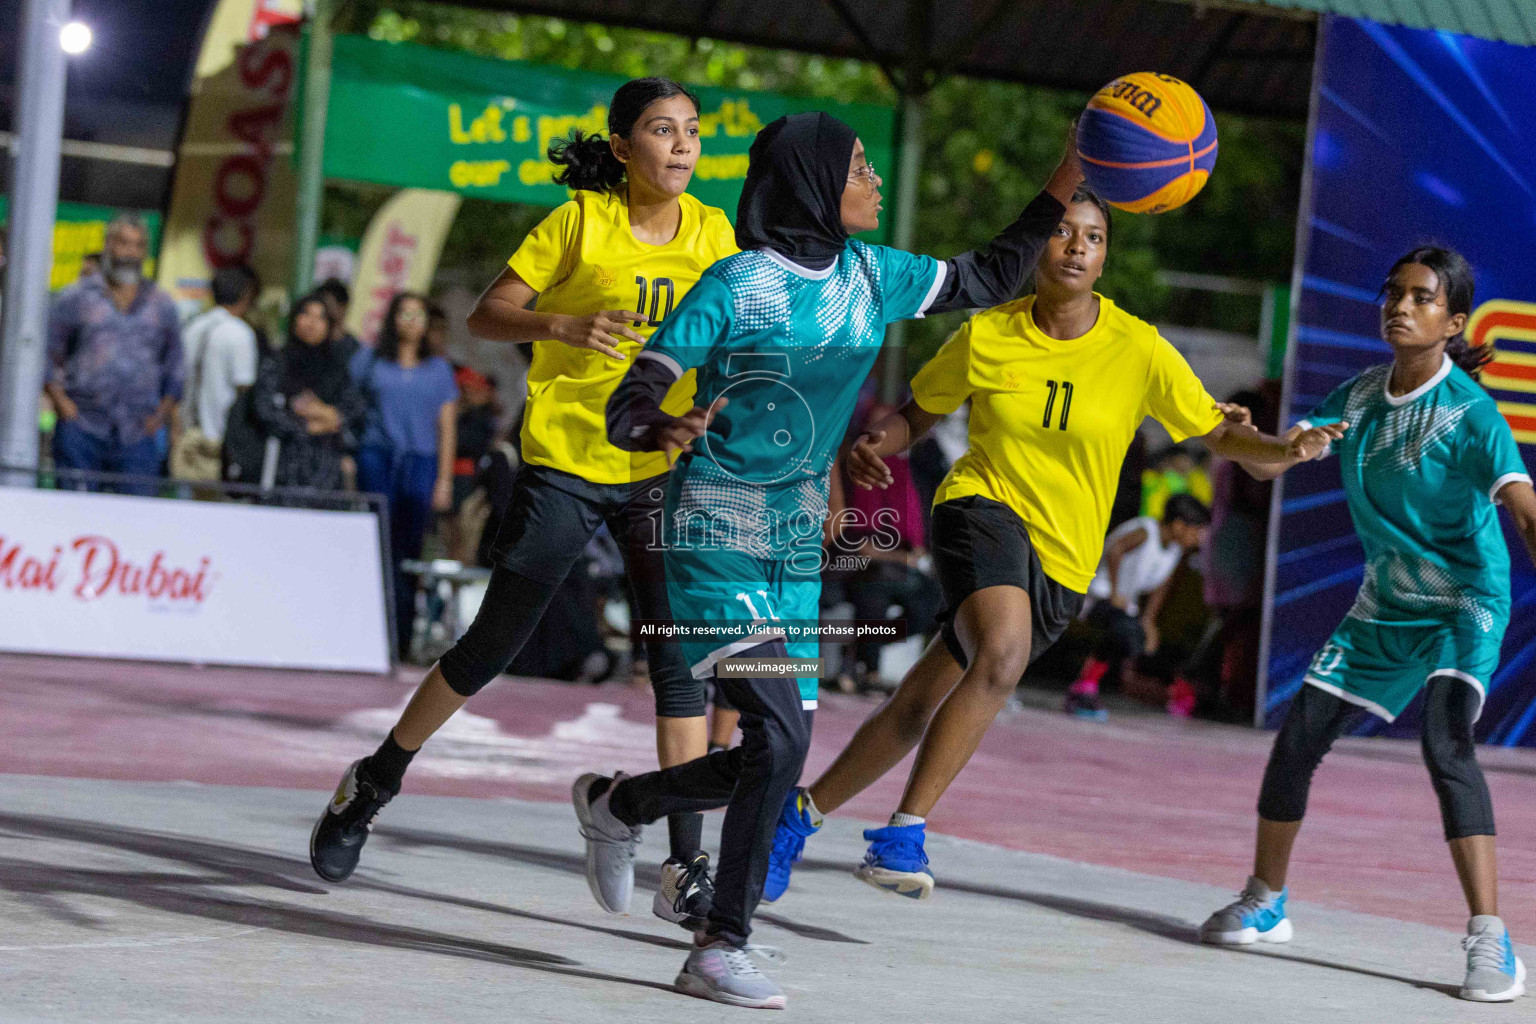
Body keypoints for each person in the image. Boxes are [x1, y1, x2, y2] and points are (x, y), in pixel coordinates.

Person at [570, 112, 1090, 1010]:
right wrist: (659, 423)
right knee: (783, 738)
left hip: (792, 540)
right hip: (717, 530)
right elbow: (638, 389)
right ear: (812, 183)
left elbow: (995, 270)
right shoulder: (738, 285)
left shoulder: (871, 275)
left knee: (767, 753)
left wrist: (1074, 162)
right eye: (858, 167)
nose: (876, 182)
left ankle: (621, 807)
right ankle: (715, 943)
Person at [762, 185, 1342, 906]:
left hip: (1062, 561)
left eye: (1092, 237)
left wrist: (1286, 447)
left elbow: (1226, 439)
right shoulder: (987, 333)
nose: (1075, 246)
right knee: (1000, 657)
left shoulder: (1138, 348)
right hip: (980, 510)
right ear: (1038, 247)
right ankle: (904, 831)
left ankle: (798, 815)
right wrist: (878, 443)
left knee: (921, 701)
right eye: (1063, 231)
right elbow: (917, 415)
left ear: (1105, 259)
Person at [308, 78, 738, 933]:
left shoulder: (716, 234)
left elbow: (728, 340)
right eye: (663, 130)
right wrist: (564, 326)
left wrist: (707, 414)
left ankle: (687, 864)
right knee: (489, 646)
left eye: (692, 131)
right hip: (567, 464)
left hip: (658, 466)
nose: (683, 146)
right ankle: (373, 782)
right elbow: (488, 313)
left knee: (680, 665)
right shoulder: (579, 223)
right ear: (623, 148)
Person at [1199, 247, 1532, 1003]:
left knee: (1446, 742)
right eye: (1393, 293)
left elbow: (1522, 506)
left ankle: (1492, 942)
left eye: (1421, 298)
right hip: (1385, 605)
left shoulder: (1474, 418)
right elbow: (1267, 462)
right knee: (1298, 741)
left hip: (1464, 604)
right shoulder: (1357, 397)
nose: (1400, 306)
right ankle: (1266, 899)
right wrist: (1254, 438)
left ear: (1452, 323)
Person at [349, 292, 459, 659]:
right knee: (374, 546)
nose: (410, 321)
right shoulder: (370, 360)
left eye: (418, 315)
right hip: (376, 457)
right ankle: (367, 634)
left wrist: (444, 479)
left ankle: (400, 638)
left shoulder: (439, 369)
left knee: (409, 551)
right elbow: (349, 405)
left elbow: (447, 426)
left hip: (420, 463)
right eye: (404, 313)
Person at [44, 214, 184, 495]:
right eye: (123, 243)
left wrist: (162, 415)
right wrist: (61, 402)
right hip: (82, 426)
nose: (130, 252)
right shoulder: (77, 297)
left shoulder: (161, 303)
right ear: (109, 244)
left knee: (135, 522)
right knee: (74, 515)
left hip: (138, 431)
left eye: (138, 245)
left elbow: (175, 365)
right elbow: (49, 352)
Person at [1064, 492, 1210, 720]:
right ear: (1180, 525)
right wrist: (1115, 592)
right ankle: (1084, 687)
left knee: (1145, 641)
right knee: (1126, 632)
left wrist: (1149, 621)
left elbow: (1161, 586)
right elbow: (1116, 550)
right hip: (1094, 594)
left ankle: (1089, 686)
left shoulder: (1174, 550)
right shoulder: (1145, 531)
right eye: (1197, 531)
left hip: (1122, 605)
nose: (1200, 538)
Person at [252, 292, 367, 491]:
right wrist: (304, 427)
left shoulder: (337, 366)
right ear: (294, 319)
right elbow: (264, 408)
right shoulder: (277, 361)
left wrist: (330, 416)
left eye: (321, 317)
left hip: (328, 463)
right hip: (281, 461)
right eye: (306, 314)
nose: (312, 323)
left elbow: (354, 407)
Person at [173, 264, 261, 485]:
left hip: (187, 435)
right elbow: (244, 388)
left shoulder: (192, 329)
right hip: (219, 442)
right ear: (246, 296)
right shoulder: (241, 333)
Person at [316, 277, 362, 364]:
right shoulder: (312, 344)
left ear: (343, 307)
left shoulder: (356, 351)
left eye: (327, 305)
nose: (322, 311)